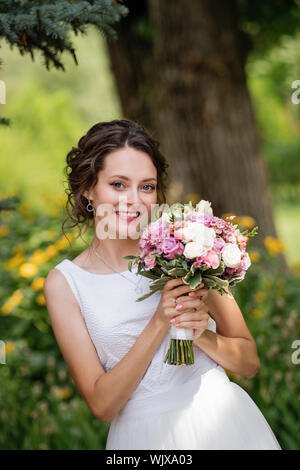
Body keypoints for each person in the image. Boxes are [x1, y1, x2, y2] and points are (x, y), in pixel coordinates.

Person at [44, 119, 282, 450]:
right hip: (143, 441)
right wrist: (159, 322)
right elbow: (102, 405)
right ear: (88, 188)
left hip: (224, 424)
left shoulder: (187, 247)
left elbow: (249, 362)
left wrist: (202, 335)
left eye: (146, 186)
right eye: (118, 184)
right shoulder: (66, 283)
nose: (134, 200)